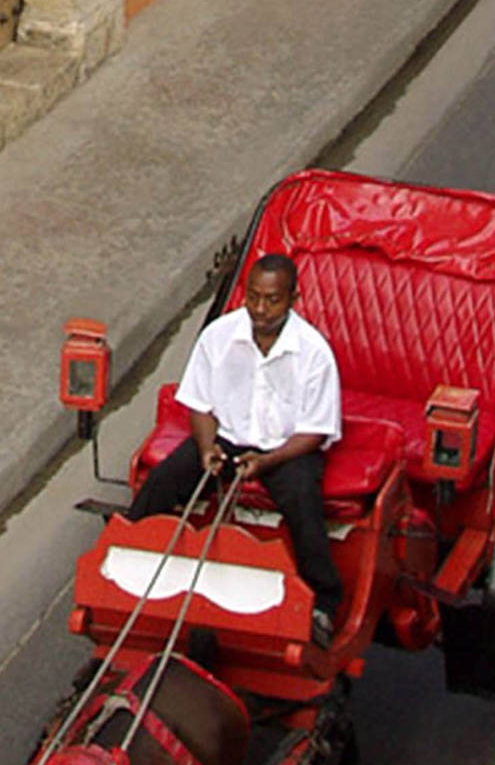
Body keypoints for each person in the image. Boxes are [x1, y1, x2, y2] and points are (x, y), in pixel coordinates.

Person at [129, 253, 344, 647]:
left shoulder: (314, 352)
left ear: (293, 299)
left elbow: (314, 432)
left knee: (302, 500)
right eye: (254, 298)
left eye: (272, 300)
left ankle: (322, 603)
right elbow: (199, 402)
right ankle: (130, 560)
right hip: (226, 437)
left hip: (286, 449)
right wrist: (208, 447)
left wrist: (266, 462)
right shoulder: (219, 336)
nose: (260, 310)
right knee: (163, 480)